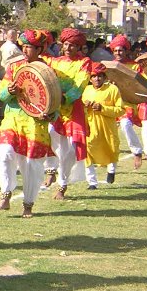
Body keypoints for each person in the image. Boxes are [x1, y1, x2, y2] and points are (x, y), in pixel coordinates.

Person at [0, 30, 54, 218]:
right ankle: (5, 193)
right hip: (12, 119)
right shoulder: (14, 68)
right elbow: (1, 95)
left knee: (32, 165)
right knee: (4, 154)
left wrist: (50, 115)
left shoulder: (49, 71)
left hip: (35, 124)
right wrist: (9, 91)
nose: (26, 50)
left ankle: (28, 203)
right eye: (24, 46)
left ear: (40, 49)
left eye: (30, 47)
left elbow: (55, 102)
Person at [44, 28, 91, 200]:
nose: (69, 48)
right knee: (52, 138)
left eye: (73, 45)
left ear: (78, 47)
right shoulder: (54, 62)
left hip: (73, 109)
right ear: (62, 45)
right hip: (55, 109)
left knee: (71, 150)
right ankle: (52, 171)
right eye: (66, 44)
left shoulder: (84, 62)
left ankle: (62, 184)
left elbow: (80, 85)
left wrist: (66, 98)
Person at [82, 62, 123, 189]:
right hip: (90, 127)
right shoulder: (86, 90)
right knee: (87, 153)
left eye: (100, 76)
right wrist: (85, 106)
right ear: (90, 78)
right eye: (94, 76)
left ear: (105, 77)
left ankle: (111, 170)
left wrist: (102, 108)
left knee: (111, 149)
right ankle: (92, 182)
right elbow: (80, 109)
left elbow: (120, 110)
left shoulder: (112, 89)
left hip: (107, 128)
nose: (97, 79)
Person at [109, 35, 145, 169]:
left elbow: (143, 83)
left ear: (126, 51)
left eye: (121, 50)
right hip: (111, 103)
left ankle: (136, 151)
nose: (118, 53)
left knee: (125, 124)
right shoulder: (108, 66)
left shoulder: (135, 66)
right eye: (116, 51)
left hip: (129, 102)